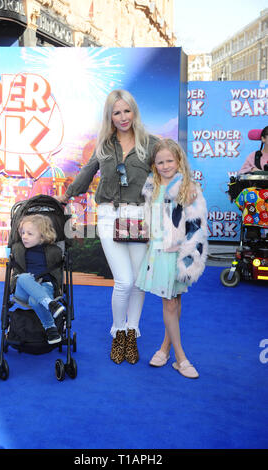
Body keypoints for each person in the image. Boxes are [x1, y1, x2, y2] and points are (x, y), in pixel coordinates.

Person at [56, 89, 197, 365]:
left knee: (139, 282)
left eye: (127, 111)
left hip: (141, 218)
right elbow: (86, 173)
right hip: (110, 216)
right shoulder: (104, 146)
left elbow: (171, 165)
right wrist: (68, 194)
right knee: (124, 281)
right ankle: (118, 331)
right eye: (116, 112)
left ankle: (132, 332)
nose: (123, 117)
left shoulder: (151, 143)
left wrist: (187, 183)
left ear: (134, 112)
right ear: (110, 116)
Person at [136, 139, 208, 378]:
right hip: (158, 254)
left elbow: (196, 227)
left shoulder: (188, 187)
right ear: (154, 165)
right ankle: (166, 349)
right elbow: (150, 219)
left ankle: (180, 358)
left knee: (172, 302)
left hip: (178, 254)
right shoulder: (151, 187)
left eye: (170, 161)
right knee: (172, 302)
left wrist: (188, 257)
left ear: (179, 161)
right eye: (160, 162)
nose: (165, 166)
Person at [10, 214, 65, 345]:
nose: (24, 236)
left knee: (35, 300)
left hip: (45, 286)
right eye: (22, 232)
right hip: (22, 289)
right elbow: (17, 275)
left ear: (42, 236)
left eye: (29, 234)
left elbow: (56, 274)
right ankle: (50, 304)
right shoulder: (18, 249)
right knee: (23, 277)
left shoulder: (54, 251)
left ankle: (51, 329)